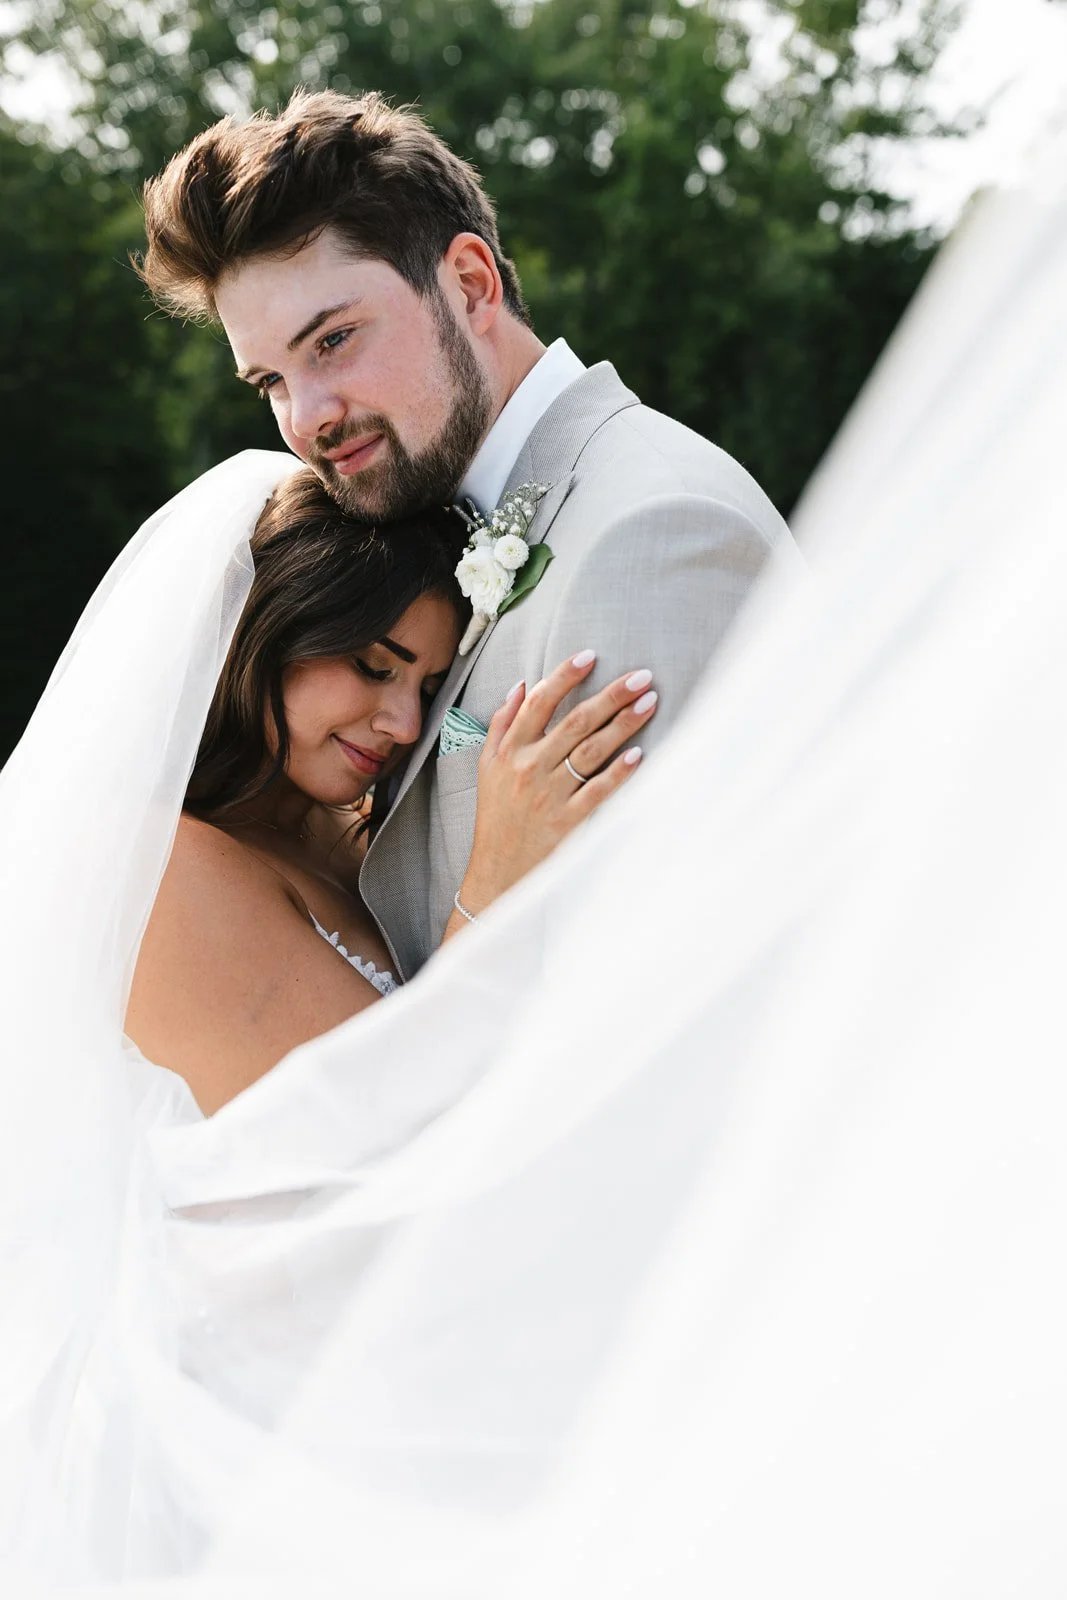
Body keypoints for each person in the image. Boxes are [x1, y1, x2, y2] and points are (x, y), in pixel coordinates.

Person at [137, 87, 799, 979]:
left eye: (331, 341)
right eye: (270, 382)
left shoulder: (651, 535)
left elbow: (671, 991)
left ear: (471, 284)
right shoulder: (443, 532)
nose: (307, 420)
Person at [125, 466, 658, 1114]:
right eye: (375, 668)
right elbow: (377, 1133)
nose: (405, 726)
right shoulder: (162, 874)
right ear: (267, 634)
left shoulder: (347, 825)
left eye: (430, 692)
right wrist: (494, 876)